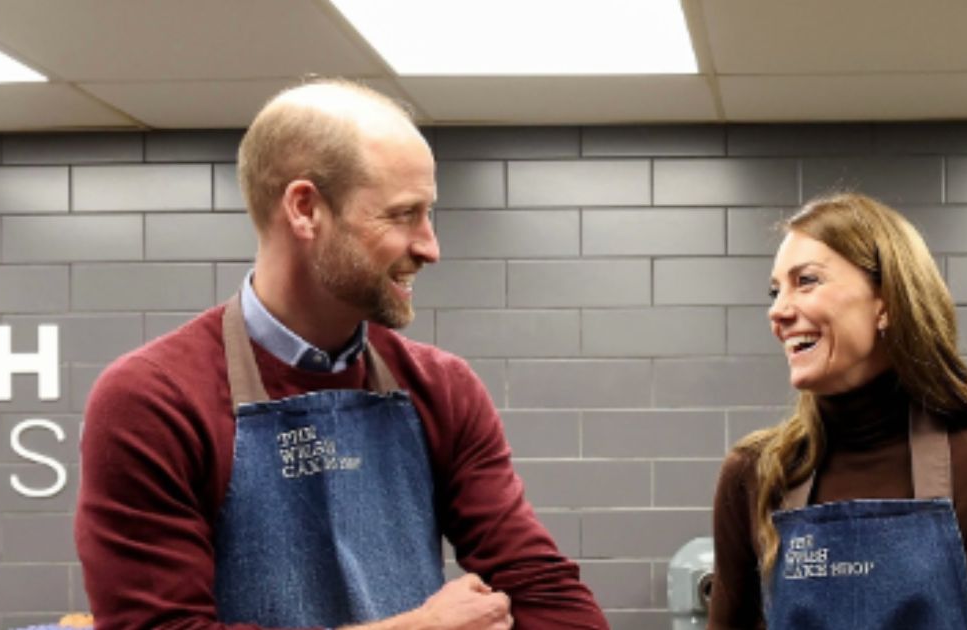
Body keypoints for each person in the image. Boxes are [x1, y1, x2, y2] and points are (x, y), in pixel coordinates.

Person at [74, 79, 607, 630]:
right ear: (305, 209)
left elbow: (541, 588)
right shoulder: (153, 401)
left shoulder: (440, 387)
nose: (430, 247)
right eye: (402, 215)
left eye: (428, 214)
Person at [708, 193, 967, 630]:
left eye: (807, 281)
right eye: (776, 291)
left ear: (886, 302)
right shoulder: (755, 474)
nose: (778, 311)